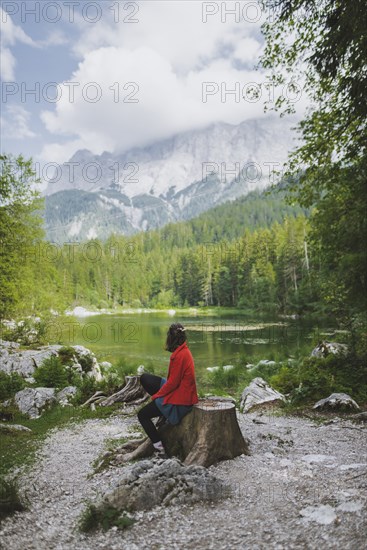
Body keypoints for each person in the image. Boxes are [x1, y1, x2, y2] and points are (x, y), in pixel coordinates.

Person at [137, 322, 198, 456]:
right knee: (145, 378)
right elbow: (173, 382)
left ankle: (160, 448)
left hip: (181, 399)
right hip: (179, 390)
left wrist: (156, 396)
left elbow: (172, 384)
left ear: (170, 337)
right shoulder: (183, 350)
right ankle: (163, 413)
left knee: (142, 415)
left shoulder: (180, 355)